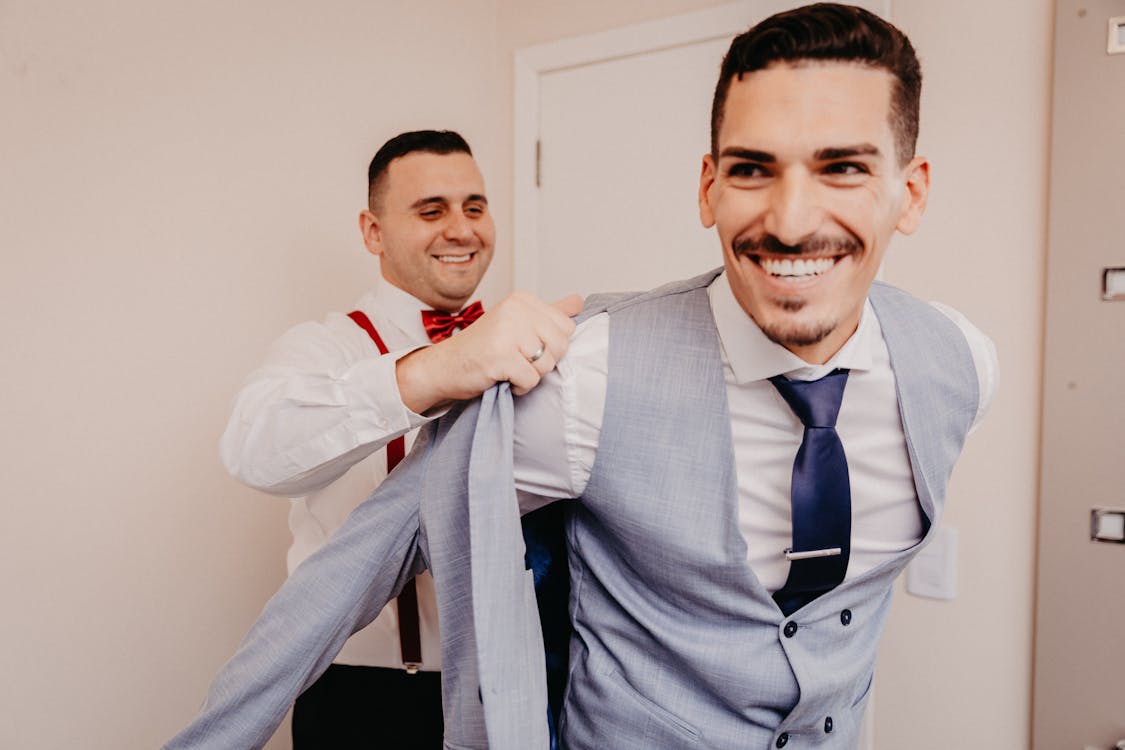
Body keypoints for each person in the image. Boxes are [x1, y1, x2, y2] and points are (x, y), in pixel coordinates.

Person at [167, 5, 998, 749]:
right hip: (366, 684)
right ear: (708, 188)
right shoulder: (580, 372)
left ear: (909, 193)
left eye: (842, 167)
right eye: (752, 168)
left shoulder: (957, 362)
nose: (790, 219)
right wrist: (433, 372)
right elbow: (323, 519)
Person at [219, 129, 579, 748]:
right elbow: (253, 450)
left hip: (511, 691)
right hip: (363, 698)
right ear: (372, 231)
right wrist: (433, 370)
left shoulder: (534, 342)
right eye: (430, 210)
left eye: (474, 206)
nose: (461, 230)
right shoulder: (327, 347)